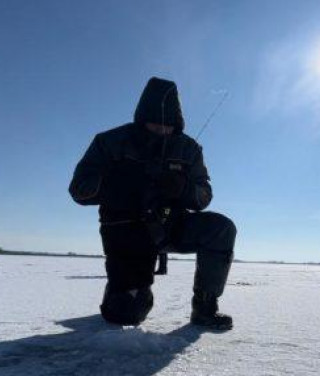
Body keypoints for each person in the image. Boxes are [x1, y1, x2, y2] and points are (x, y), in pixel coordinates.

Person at [69, 77, 236, 329]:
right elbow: (78, 189)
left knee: (221, 228)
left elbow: (204, 195)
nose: (161, 130)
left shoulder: (189, 149)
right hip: (127, 230)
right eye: (155, 125)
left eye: (168, 126)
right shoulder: (110, 141)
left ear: (177, 123)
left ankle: (204, 307)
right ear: (142, 118)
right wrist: (121, 184)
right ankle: (121, 291)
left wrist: (183, 188)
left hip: (171, 224)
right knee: (126, 314)